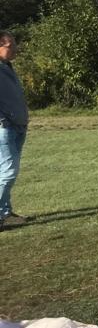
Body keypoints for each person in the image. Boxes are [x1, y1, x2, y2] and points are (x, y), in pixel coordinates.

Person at [0, 31, 29, 230]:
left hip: (18, 125)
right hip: (5, 127)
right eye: (11, 45)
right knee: (9, 171)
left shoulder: (6, 67)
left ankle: (5, 212)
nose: (15, 49)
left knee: (4, 171)